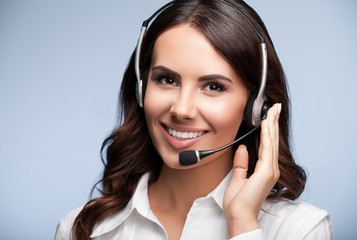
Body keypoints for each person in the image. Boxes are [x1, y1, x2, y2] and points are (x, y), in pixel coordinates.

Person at [55, 0, 333, 239]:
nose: (182, 109)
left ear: (256, 107)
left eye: (213, 86)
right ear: (141, 90)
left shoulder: (300, 230)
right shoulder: (82, 229)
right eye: (167, 79)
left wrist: (244, 227)